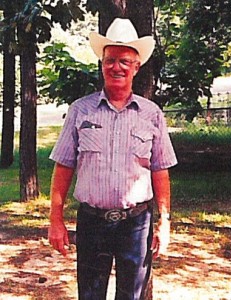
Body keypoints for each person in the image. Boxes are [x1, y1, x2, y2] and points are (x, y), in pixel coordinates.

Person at [48, 18, 177, 300]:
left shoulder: (151, 114)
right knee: (90, 296)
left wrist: (164, 221)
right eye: (110, 60)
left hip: (136, 223)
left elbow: (160, 171)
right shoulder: (80, 111)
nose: (116, 67)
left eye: (124, 61)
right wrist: (55, 219)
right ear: (102, 64)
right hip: (92, 223)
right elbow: (63, 166)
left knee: (131, 296)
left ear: (136, 67)